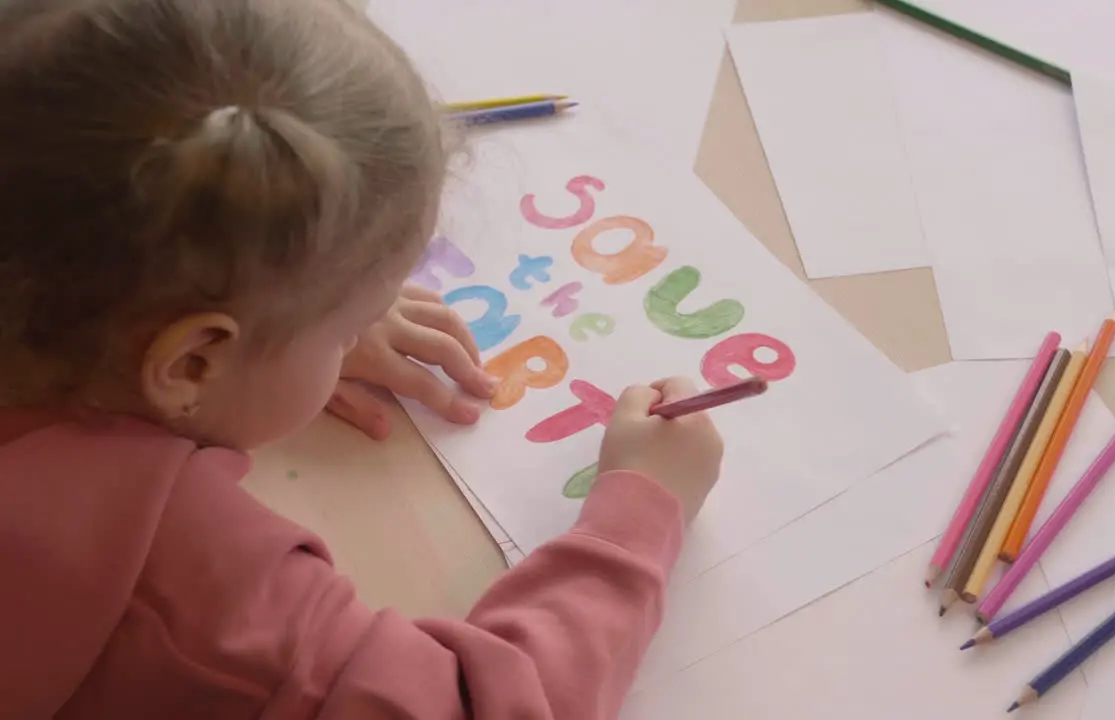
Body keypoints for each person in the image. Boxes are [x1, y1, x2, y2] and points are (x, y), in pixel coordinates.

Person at [0, 0, 724, 717]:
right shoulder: (206, 607)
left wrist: (279, 331)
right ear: (191, 364)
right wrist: (635, 517)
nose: (363, 332)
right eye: (347, 326)